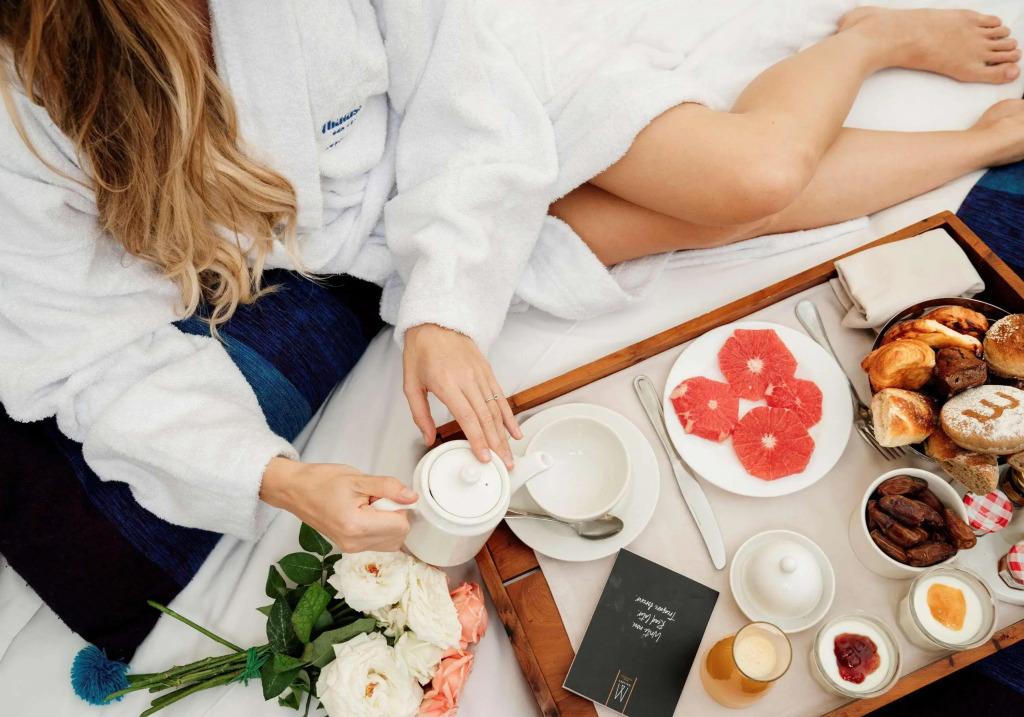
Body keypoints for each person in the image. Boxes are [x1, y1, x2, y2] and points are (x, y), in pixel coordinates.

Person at [1, 0, 1022, 556]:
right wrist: (281, 477)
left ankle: (868, 37)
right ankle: (972, 142)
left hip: (477, 92)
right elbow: (89, 359)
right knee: (673, 226)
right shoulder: (24, 118)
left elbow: (455, 73)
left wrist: (446, 305)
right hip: (382, 227)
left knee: (750, 174)